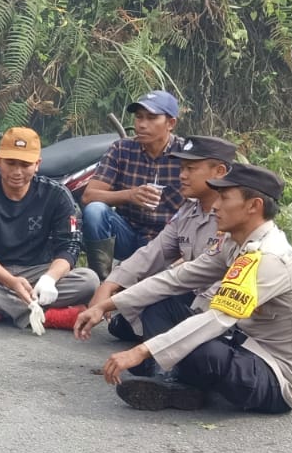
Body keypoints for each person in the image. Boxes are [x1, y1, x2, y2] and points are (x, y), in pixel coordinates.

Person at [85, 164, 292, 413]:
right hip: (242, 344)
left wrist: (142, 351)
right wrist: (107, 304)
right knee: (162, 307)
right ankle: (172, 379)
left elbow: (217, 319)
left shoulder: (269, 257)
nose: (215, 206)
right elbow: (177, 278)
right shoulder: (234, 242)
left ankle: (174, 378)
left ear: (254, 206)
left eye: (225, 198)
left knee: (200, 348)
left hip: (276, 376)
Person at [75, 135, 237, 344]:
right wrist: (108, 285)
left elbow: (227, 286)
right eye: (181, 168)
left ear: (219, 171)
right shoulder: (189, 210)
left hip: (219, 308)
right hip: (188, 293)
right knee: (124, 322)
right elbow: (153, 252)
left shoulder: (235, 215)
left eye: (190, 169)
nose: (182, 175)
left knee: (156, 310)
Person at [0, 126, 100, 328]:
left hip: (38, 271)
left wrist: (50, 279)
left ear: (37, 164)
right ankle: (45, 316)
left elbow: (69, 246)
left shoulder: (57, 194)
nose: (17, 172)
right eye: (10, 163)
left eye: (25, 164)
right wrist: (11, 282)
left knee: (89, 280)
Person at [79, 89, 186, 279]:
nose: (142, 124)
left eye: (151, 118)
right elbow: (89, 196)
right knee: (95, 210)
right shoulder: (122, 149)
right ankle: (100, 279)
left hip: (167, 241)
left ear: (171, 123)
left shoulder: (185, 154)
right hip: (127, 234)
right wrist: (129, 195)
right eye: (138, 117)